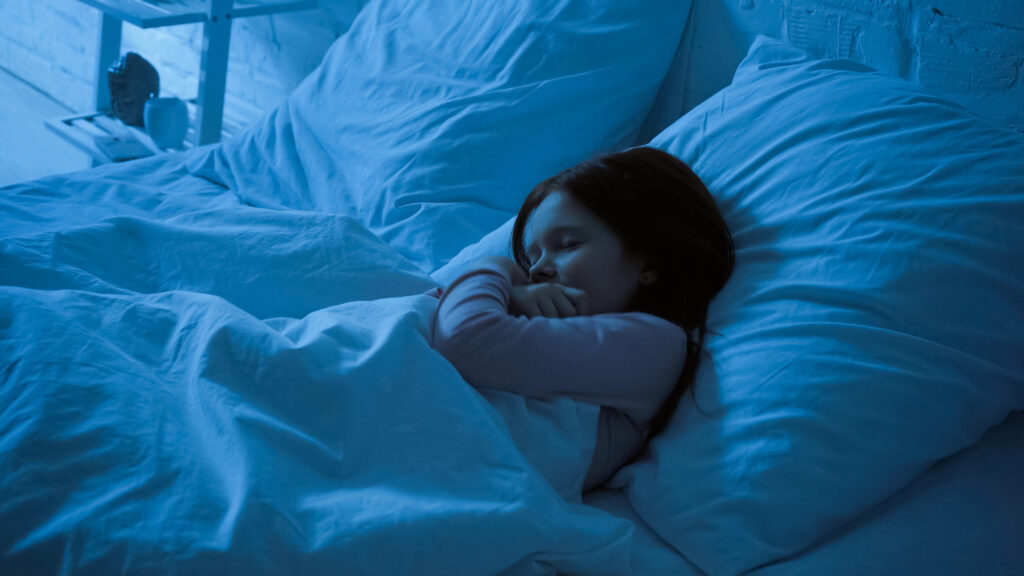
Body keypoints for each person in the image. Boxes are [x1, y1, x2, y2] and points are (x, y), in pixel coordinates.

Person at [431, 146, 735, 491]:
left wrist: (496, 266)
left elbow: (463, 338)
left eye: (567, 244)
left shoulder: (653, 344)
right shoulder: (519, 313)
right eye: (531, 258)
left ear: (649, 262)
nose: (537, 270)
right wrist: (512, 296)